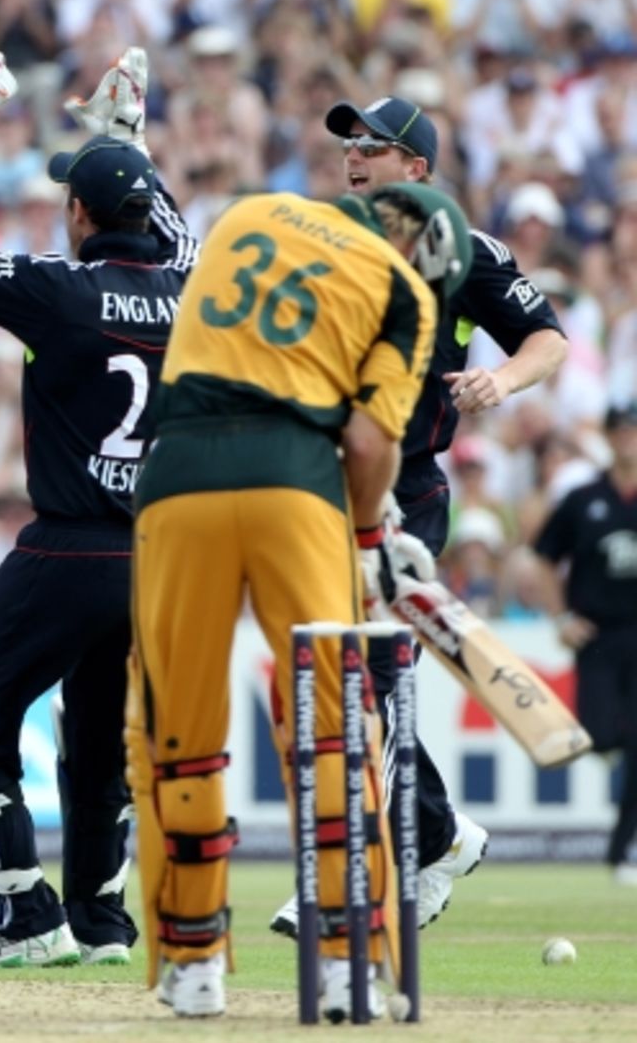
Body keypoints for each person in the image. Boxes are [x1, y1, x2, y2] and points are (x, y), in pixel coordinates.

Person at [129, 182, 472, 1019]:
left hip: (176, 479)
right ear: (425, 253)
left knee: (179, 731)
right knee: (334, 728)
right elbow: (366, 439)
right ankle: (342, 961)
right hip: (298, 484)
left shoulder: (248, 212)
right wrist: (369, 540)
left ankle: (194, 960)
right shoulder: (403, 293)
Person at [0, 43, 198, 969]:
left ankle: (24, 917)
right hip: (156, 560)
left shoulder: (60, 291)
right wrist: (130, 144)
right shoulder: (195, 293)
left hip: (69, 550)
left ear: (78, 215)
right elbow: (178, 238)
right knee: (98, 737)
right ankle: (105, 925)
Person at [267, 95, 570, 940]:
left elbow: (547, 338)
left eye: (375, 145)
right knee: (332, 674)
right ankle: (432, 834)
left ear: (418, 168)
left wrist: (500, 382)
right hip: (320, 483)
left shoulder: (460, 250)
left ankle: (355, 870)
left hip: (406, 488)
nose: (355, 156)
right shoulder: (321, 243)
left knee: (339, 668)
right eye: (349, 144)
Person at [533, 401, 637, 886]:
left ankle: (623, 850)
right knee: (598, 734)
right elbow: (543, 558)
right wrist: (561, 616)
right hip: (598, 633)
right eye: (621, 431)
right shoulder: (584, 497)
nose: (627, 439)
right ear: (611, 437)